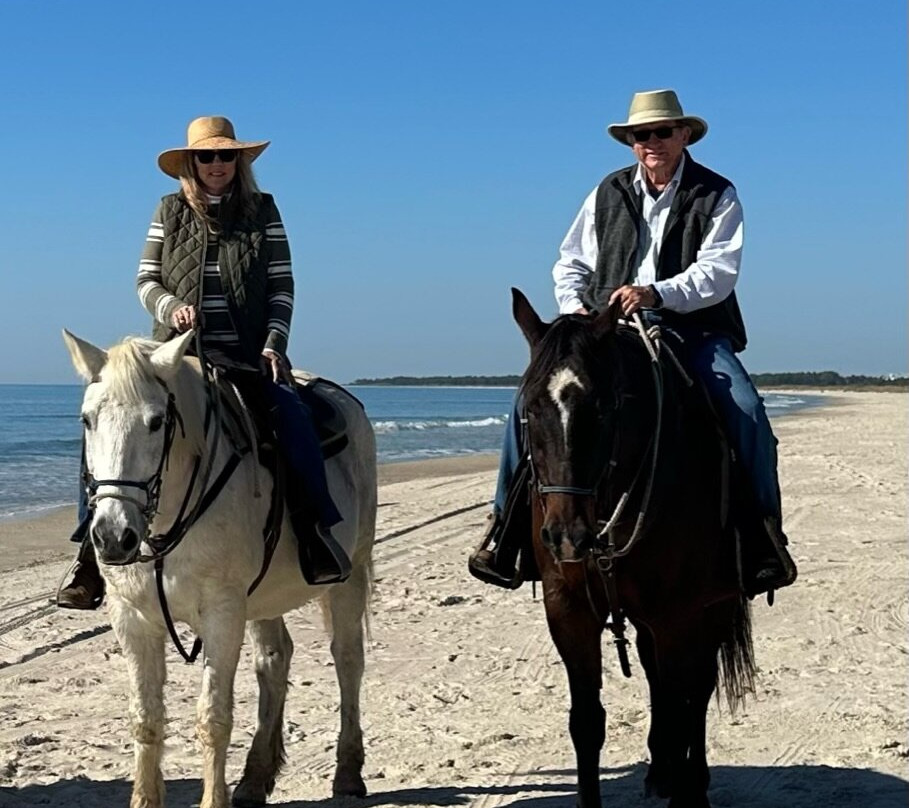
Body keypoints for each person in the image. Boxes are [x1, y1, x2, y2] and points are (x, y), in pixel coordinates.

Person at [468, 89, 797, 598]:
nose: (652, 142)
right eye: (641, 135)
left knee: (747, 410)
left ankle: (764, 539)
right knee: (529, 404)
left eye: (662, 132)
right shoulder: (606, 192)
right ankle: (504, 531)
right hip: (606, 330)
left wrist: (657, 294)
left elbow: (718, 273)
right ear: (631, 142)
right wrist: (576, 306)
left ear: (684, 135)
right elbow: (571, 260)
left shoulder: (718, 194)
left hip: (691, 328)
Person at [57, 116, 350, 610]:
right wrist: (171, 309)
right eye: (207, 156)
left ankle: (315, 531)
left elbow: (282, 288)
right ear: (191, 163)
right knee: (106, 420)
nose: (217, 164)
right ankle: (89, 554)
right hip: (173, 354)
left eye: (226, 155)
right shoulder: (169, 210)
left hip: (246, 353)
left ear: (239, 161)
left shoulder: (264, 212)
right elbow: (146, 279)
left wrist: (275, 343)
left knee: (291, 418)